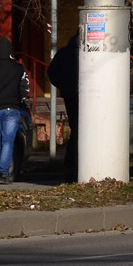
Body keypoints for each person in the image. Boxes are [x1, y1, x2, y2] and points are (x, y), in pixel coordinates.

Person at [47, 33, 80, 181]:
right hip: (85, 94)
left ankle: (70, 165)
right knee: (83, 130)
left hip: (69, 94)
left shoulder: (63, 52)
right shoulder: (85, 54)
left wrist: (62, 86)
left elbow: (51, 72)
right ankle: (75, 163)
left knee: (76, 129)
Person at [0, 37, 29, 184]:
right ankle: (3, 173)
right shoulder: (18, 68)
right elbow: (25, 89)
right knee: (8, 142)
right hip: (12, 109)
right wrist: (20, 100)